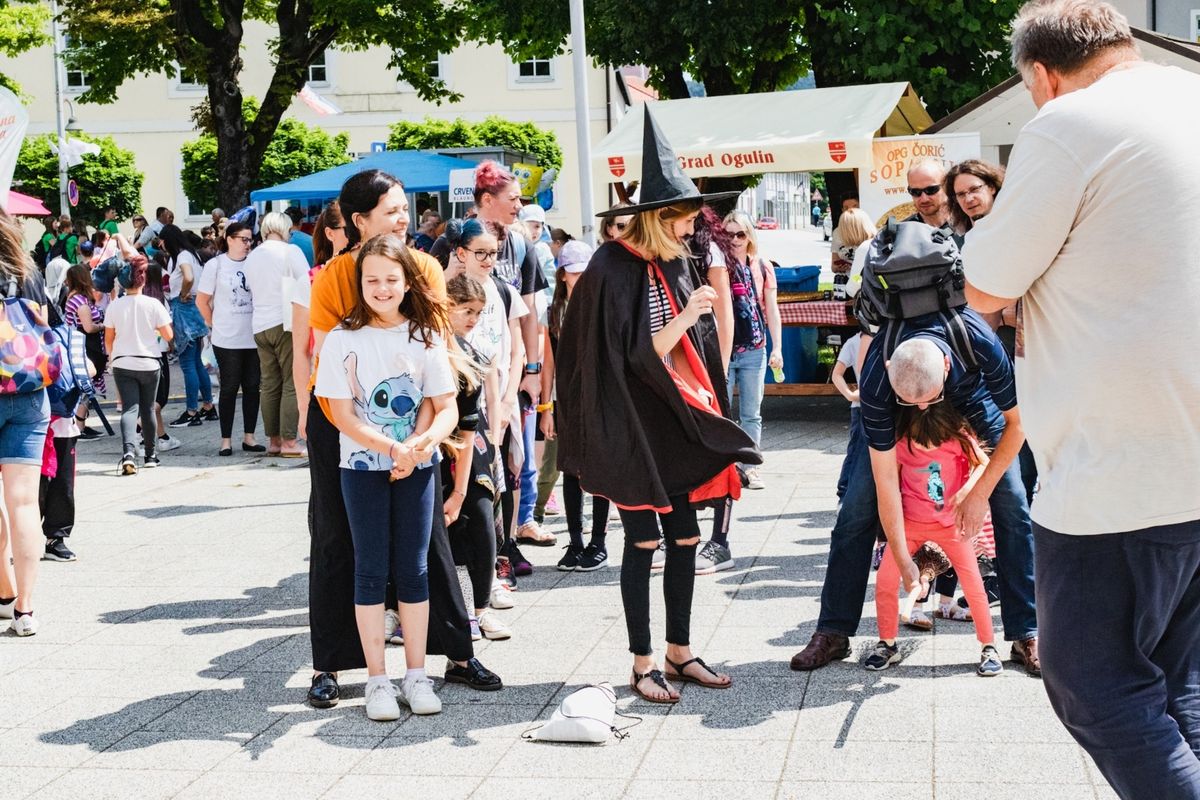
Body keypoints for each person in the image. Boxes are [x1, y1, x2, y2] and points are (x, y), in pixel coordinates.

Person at [963, 2, 1200, 795]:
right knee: (1176, 681)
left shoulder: (1067, 123)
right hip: (1187, 450)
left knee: (1091, 685)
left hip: (1119, 466)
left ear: (1041, 74)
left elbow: (987, 281)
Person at [556, 108, 758, 703]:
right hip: (629, 421)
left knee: (687, 537)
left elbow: (686, 355)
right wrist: (692, 316)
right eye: (687, 219)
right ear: (658, 218)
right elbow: (635, 355)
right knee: (642, 538)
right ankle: (642, 661)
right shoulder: (611, 265)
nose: (695, 229)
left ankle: (680, 650)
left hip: (672, 418)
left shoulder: (675, 260)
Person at [298, 170, 501, 709]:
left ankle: (456, 653)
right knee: (335, 537)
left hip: (420, 414)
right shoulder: (334, 278)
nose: (403, 218)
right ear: (358, 221)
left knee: (427, 537)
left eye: (405, 209)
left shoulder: (426, 267)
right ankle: (329, 666)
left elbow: (437, 341)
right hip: (342, 420)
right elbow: (323, 356)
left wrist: (418, 440)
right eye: (391, 211)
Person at [790, 280, 1039, 676]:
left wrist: (979, 492)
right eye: (914, 401)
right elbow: (885, 480)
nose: (923, 407)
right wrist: (903, 555)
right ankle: (833, 631)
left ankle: (1026, 632)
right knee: (855, 508)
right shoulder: (876, 376)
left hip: (971, 402)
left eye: (927, 398)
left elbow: (1018, 425)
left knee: (1013, 502)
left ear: (945, 366)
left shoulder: (978, 339)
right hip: (896, 406)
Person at [315, 234, 458, 720]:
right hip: (360, 468)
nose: (381, 288)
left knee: (415, 569)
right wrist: (392, 447)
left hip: (418, 467)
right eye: (372, 279)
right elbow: (341, 414)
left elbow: (446, 407)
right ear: (360, 283)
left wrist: (421, 445)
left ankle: (416, 675)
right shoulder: (341, 338)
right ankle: (378, 679)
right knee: (370, 569)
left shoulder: (424, 335)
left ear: (406, 282)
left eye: (390, 279)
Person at [864, 339, 1002, 677]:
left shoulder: (957, 433)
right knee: (885, 582)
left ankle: (988, 646)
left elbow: (984, 463)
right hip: (910, 523)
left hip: (951, 525)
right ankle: (887, 643)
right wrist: (892, 542)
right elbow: (891, 487)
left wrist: (969, 492)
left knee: (974, 584)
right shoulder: (899, 438)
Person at [444, 219, 532, 580]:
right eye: (480, 253)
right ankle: (469, 566)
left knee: (504, 474)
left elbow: (515, 348)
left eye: (494, 254)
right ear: (461, 253)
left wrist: (511, 395)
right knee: (463, 483)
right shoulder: (445, 291)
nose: (488, 260)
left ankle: (504, 550)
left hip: (498, 397)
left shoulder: (503, 291)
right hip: (459, 400)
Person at [472, 162, 552, 550]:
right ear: (487, 200)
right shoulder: (452, 242)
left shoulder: (522, 245)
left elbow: (531, 312)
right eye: (514, 199)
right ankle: (484, 545)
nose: (520, 206)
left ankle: (511, 541)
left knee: (516, 458)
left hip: (514, 370)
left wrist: (533, 369)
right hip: (470, 374)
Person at [442, 273, 510, 639]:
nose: (473, 319)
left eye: (479, 313)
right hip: (433, 444)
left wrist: (495, 439)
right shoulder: (428, 346)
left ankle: (482, 607)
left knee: (482, 517)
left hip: (473, 439)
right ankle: (400, 609)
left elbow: (481, 409)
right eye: (466, 310)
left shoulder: (474, 354)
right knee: (426, 529)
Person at [540, 240, 611, 572]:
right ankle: (575, 540)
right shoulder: (553, 311)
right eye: (573, 274)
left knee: (598, 467)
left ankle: (599, 541)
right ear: (562, 275)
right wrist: (547, 407)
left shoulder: (602, 304)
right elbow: (548, 365)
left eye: (585, 273)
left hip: (598, 395)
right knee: (569, 468)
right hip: (565, 397)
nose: (580, 279)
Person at [0, 210, 55, 636]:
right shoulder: (28, 270)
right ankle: (26, 609)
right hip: (30, 393)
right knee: (24, 504)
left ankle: (3, 590)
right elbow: (46, 327)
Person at [718, 210, 782, 492]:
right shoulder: (716, 265)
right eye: (729, 234)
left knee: (751, 413)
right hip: (724, 347)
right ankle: (723, 468)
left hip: (754, 347)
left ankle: (750, 468)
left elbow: (771, 309)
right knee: (720, 411)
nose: (734, 240)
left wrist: (777, 347)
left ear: (749, 236)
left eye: (740, 234)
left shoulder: (762, 266)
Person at [243, 212, 309, 458]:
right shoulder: (289, 251)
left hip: (259, 324)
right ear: (284, 228)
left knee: (269, 384)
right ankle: (290, 443)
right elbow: (306, 282)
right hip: (286, 321)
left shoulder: (253, 255)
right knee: (292, 381)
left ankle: (274, 440)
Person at [197, 221, 264, 457]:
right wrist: (214, 323)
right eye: (244, 239)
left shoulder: (256, 262)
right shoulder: (215, 265)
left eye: (250, 240)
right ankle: (225, 440)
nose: (248, 244)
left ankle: (250, 436)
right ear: (230, 239)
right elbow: (201, 301)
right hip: (226, 338)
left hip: (253, 335)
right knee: (228, 388)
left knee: (253, 387)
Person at [104, 254, 174, 475]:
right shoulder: (153, 304)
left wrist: (112, 356)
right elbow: (169, 335)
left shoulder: (114, 306)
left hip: (123, 361)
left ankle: (128, 454)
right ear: (143, 280)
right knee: (148, 408)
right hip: (149, 361)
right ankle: (151, 455)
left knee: (129, 409)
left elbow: (108, 339)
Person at [160, 224, 216, 427]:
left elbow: (189, 277)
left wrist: (184, 292)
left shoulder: (182, 257)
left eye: (162, 240)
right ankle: (208, 406)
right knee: (196, 362)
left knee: (187, 363)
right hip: (195, 309)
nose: (160, 244)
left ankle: (192, 411)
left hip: (184, 309)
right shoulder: (192, 255)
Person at [62, 264, 106, 440]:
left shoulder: (72, 298)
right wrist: (104, 325)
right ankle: (79, 425)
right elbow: (88, 327)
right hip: (89, 347)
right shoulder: (80, 301)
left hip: (81, 345)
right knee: (88, 385)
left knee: (87, 385)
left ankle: (80, 423)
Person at [832, 332, 863, 501]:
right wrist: (850, 395)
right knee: (856, 450)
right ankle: (843, 494)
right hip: (861, 406)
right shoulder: (853, 342)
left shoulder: (891, 334)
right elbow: (837, 374)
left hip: (886, 405)